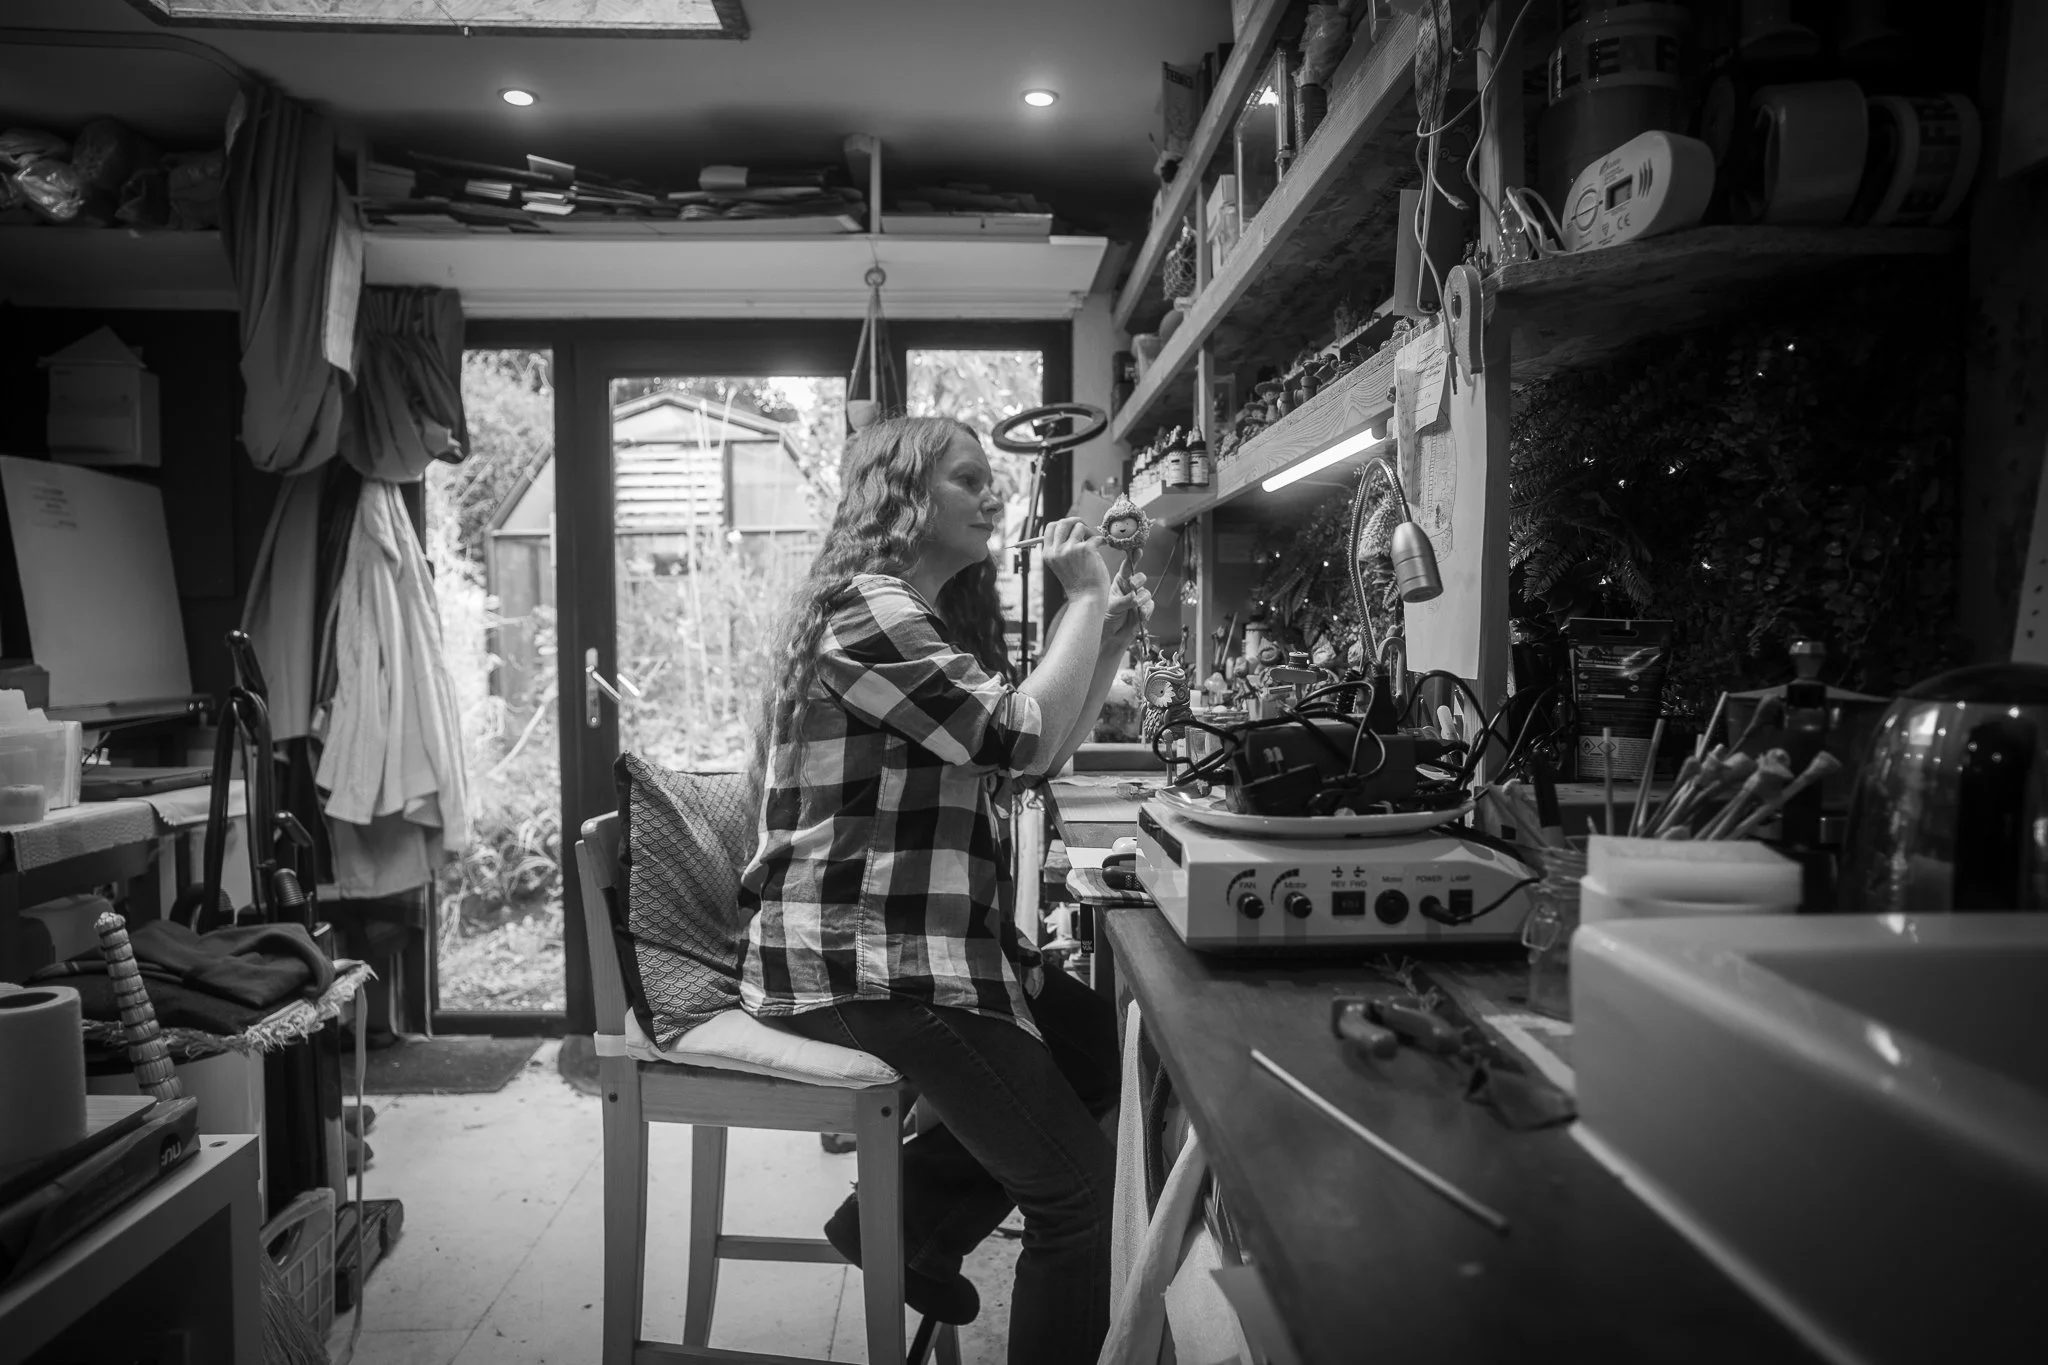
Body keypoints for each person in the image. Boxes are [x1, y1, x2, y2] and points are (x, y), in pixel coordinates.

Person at [739, 415, 1150, 1363]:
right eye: (968, 479)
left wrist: (1104, 633)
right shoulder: (867, 608)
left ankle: (907, 1220)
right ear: (903, 497)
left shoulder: (900, 613)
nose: (993, 494)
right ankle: (914, 1221)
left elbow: (1027, 760)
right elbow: (1025, 737)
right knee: (1080, 1197)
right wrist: (1082, 599)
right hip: (860, 959)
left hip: (906, 943)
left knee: (1099, 1053)